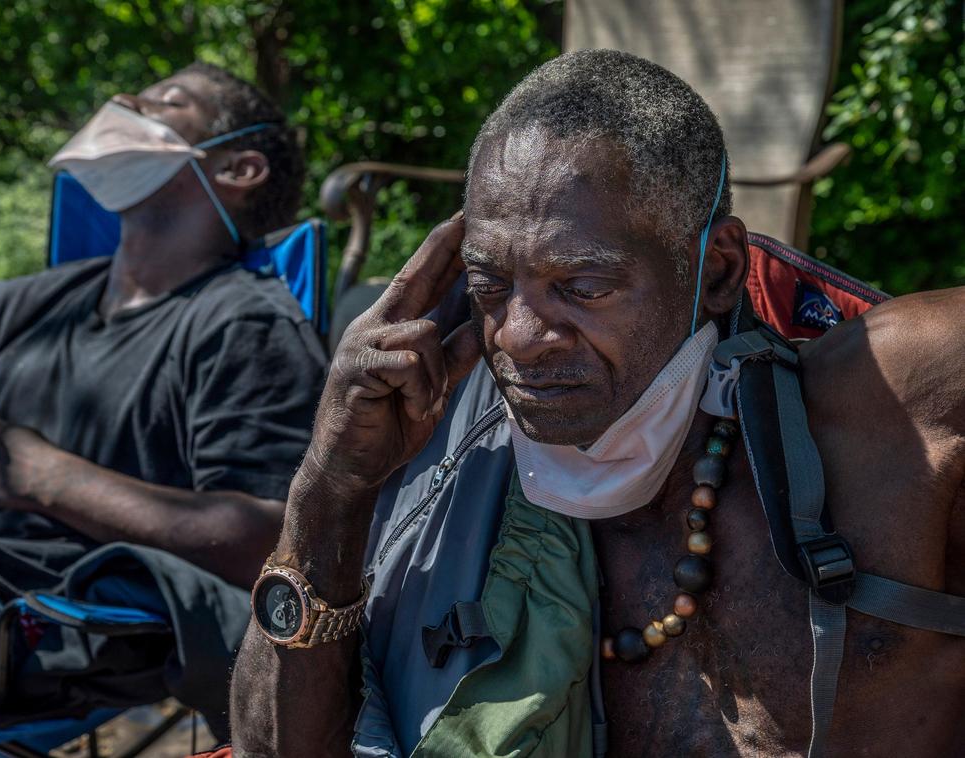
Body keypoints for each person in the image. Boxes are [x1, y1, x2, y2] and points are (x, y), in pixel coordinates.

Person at [229, 50, 965, 756]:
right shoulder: (433, 454)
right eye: (489, 286)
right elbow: (270, 752)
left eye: (582, 287)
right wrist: (330, 486)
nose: (517, 337)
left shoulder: (888, 414)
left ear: (716, 271)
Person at [0, 63, 325, 754]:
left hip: (5, 601)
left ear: (238, 168)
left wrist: (41, 478)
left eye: (167, 102)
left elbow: (276, 541)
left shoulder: (247, 326)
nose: (122, 101)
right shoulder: (11, 305)